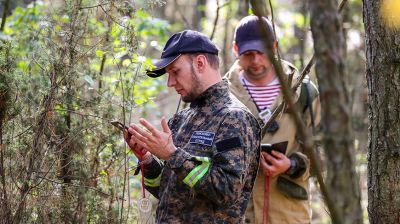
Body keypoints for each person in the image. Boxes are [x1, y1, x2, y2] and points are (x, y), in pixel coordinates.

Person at [124, 30, 261, 223]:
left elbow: (226, 191)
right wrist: (147, 158)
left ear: (200, 63)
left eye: (175, 72)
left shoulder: (235, 118)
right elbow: (166, 190)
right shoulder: (180, 119)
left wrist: (172, 154)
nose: (170, 82)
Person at [224, 15, 321, 224]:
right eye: (248, 54)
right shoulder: (221, 95)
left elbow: (324, 152)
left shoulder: (303, 91)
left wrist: (291, 164)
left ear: (274, 46)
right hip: (237, 215)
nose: (256, 60)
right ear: (235, 49)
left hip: (289, 216)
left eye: (262, 52)